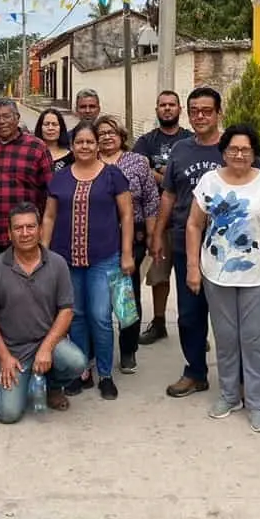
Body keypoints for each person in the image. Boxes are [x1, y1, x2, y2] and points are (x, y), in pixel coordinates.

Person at [186, 124, 260, 431]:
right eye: (233, 149)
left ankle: (256, 404)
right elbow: (193, 224)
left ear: (254, 153)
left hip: (258, 275)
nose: (239, 154)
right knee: (226, 338)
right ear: (224, 152)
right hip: (216, 275)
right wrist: (193, 267)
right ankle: (230, 395)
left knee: (255, 340)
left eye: (245, 150)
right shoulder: (209, 182)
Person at [42, 121, 134, 400]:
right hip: (66, 260)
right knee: (76, 317)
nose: (84, 147)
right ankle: (82, 372)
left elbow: (127, 215)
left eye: (89, 142)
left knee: (101, 317)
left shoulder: (112, 175)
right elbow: (48, 217)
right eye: (79, 142)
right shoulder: (59, 178)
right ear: (72, 145)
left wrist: (127, 253)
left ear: (97, 145)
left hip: (104, 258)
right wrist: (43, 253)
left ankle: (105, 374)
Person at [0, 203, 89, 423]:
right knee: (8, 414)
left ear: (40, 230)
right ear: (9, 233)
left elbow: (66, 310)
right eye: (18, 228)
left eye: (31, 227)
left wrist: (47, 349)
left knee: (76, 361)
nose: (25, 233)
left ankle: (54, 387)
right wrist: (4, 356)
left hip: (48, 342)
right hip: (13, 350)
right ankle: (7, 378)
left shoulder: (57, 264)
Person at [153, 86, 226, 398]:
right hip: (185, 245)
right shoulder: (181, 150)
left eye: (207, 111)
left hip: (227, 251)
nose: (200, 116)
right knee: (189, 316)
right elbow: (169, 194)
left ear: (218, 113)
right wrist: (158, 233)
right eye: (194, 111)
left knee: (227, 320)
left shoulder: (234, 147)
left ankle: (235, 377)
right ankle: (195, 372)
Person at [0, 98, 53, 361]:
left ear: (17, 117)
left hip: (25, 240)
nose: (1, 122)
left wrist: (44, 230)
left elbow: (50, 192)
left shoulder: (36, 147)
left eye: (6, 117)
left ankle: (30, 350)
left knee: (27, 300)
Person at [96, 115, 159, 375]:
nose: (106, 137)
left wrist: (154, 237)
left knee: (126, 294)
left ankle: (128, 349)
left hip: (132, 236)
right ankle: (97, 349)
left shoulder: (138, 162)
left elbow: (151, 202)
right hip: (97, 237)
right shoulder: (89, 161)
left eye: (111, 132)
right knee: (98, 296)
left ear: (121, 135)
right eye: (101, 133)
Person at [134, 90, 193, 346]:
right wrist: (169, 177)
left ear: (180, 109)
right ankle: (158, 323)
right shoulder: (147, 141)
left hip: (189, 221)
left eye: (172, 105)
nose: (167, 109)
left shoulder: (191, 140)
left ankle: (194, 327)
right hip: (158, 219)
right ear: (157, 109)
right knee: (159, 276)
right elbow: (140, 168)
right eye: (162, 105)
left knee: (191, 278)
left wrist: (158, 173)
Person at [34, 108, 73, 173]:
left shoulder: (71, 157)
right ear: (40, 127)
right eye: (46, 124)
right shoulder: (32, 154)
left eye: (54, 124)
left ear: (61, 128)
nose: (50, 128)